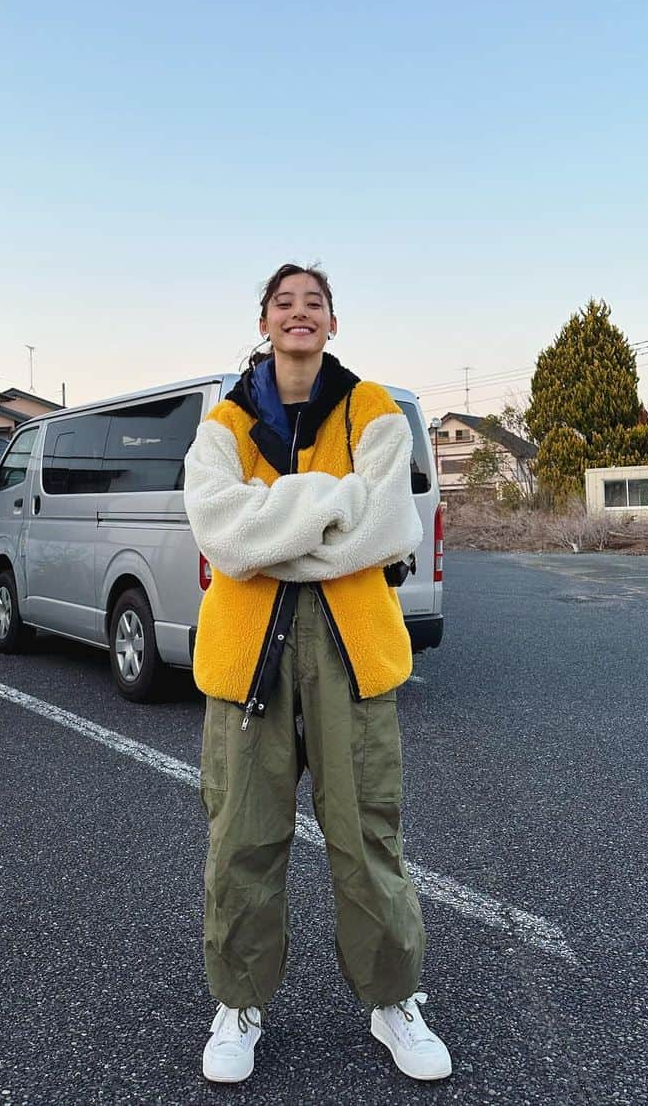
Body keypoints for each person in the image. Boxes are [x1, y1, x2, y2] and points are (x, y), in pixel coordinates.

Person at [183, 262, 452, 1084]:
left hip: (351, 650)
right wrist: (330, 510)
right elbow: (218, 530)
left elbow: (389, 523)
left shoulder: (372, 410)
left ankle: (391, 1000)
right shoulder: (224, 423)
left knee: (367, 832)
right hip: (244, 656)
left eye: (315, 303)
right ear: (263, 321)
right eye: (284, 303)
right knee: (241, 836)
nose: (300, 314)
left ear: (333, 323)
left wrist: (276, 533)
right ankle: (239, 1003)